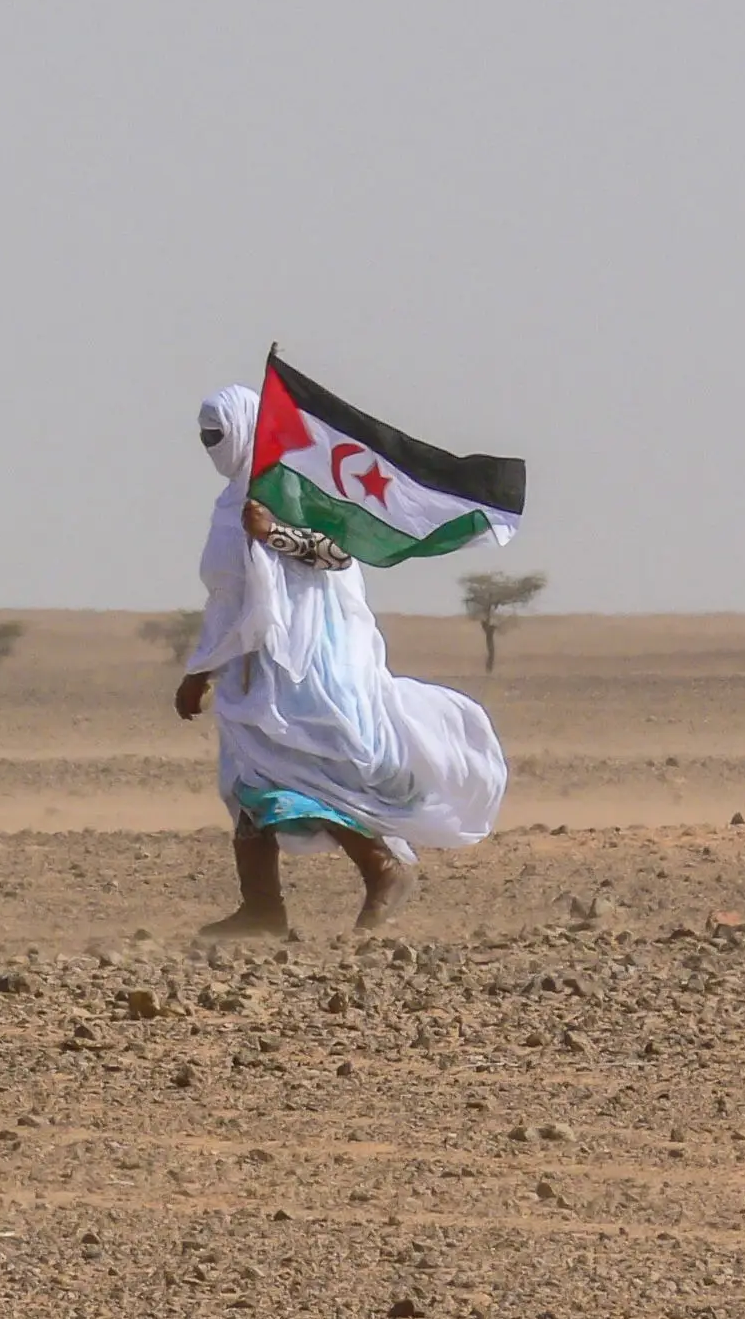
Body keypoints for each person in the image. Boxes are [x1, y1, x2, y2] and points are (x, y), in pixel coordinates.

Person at [175, 384, 507, 935]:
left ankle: (382, 869)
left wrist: (274, 531)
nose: (212, 444)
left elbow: (338, 552)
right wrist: (201, 669)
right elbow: (229, 601)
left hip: (313, 666)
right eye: (205, 436)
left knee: (298, 774)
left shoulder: (297, 487)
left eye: (220, 433)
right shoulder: (228, 505)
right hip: (254, 673)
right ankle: (262, 907)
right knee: (248, 780)